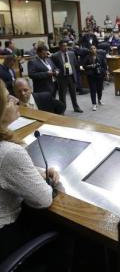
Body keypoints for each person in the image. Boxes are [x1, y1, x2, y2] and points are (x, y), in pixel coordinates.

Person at [0, 79, 60, 260]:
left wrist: (38, 173)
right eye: (7, 98)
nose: (15, 99)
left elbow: (8, 171)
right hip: (7, 241)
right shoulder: (9, 152)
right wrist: (46, 181)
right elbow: (43, 199)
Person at [51, 40, 83, 113]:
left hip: (71, 76)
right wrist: (56, 72)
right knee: (62, 95)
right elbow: (53, 66)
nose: (65, 47)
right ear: (60, 47)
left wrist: (79, 70)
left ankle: (76, 107)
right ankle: (62, 109)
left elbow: (75, 64)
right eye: (63, 46)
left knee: (73, 93)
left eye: (66, 46)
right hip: (62, 77)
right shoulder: (55, 56)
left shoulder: (71, 53)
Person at [83, 45, 107, 111]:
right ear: (89, 50)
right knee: (93, 90)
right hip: (91, 76)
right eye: (91, 49)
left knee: (99, 89)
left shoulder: (100, 56)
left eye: (94, 48)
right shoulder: (87, 57)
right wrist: (91, 66)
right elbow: (84, 66)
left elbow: (104, 66)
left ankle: (99, 100)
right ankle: (94, 104)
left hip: (100, 75)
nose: (93, 49)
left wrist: (104, 72)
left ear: (96, 49)